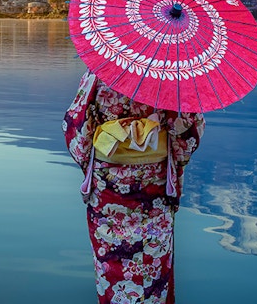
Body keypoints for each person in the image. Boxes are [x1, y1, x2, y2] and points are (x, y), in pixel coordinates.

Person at [63, 70, 204, 304]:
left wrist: (98, 157)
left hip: (109, 187)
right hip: (154, 187)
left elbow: (75, 127)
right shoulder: (170, 74)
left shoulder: (99, 72)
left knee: (112, 262)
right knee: (153, 266)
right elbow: (188, 134)